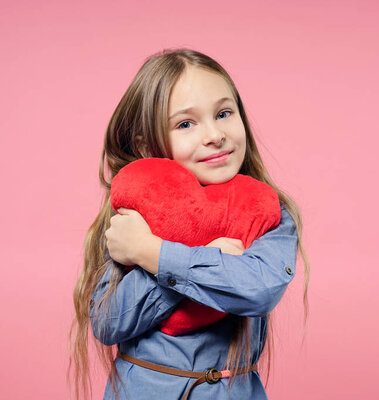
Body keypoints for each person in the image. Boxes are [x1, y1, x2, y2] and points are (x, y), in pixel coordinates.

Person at [69, 48, 310, 400]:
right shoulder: (134, 215)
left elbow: (259, 288)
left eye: (224, 113)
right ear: (146, 144)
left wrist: (152, 253)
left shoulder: (267, 210)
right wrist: (203, 257)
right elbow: (108, 323)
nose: (215, 134)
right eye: (185, 123)